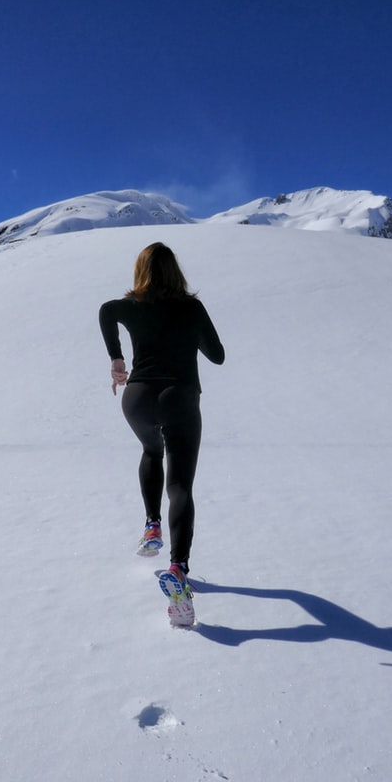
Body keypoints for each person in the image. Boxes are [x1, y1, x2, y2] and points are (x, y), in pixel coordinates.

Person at [99, 242, 225, 626]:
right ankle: (178, 569)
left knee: (152, 451)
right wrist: (191, 336)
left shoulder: (130, 306)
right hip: (179, 396)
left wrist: (117, 358)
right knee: (181, 485)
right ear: (176, 271)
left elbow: (106, 311)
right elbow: (217, 355)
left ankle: (152, 525)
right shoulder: (191, 308)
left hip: (136, 397)